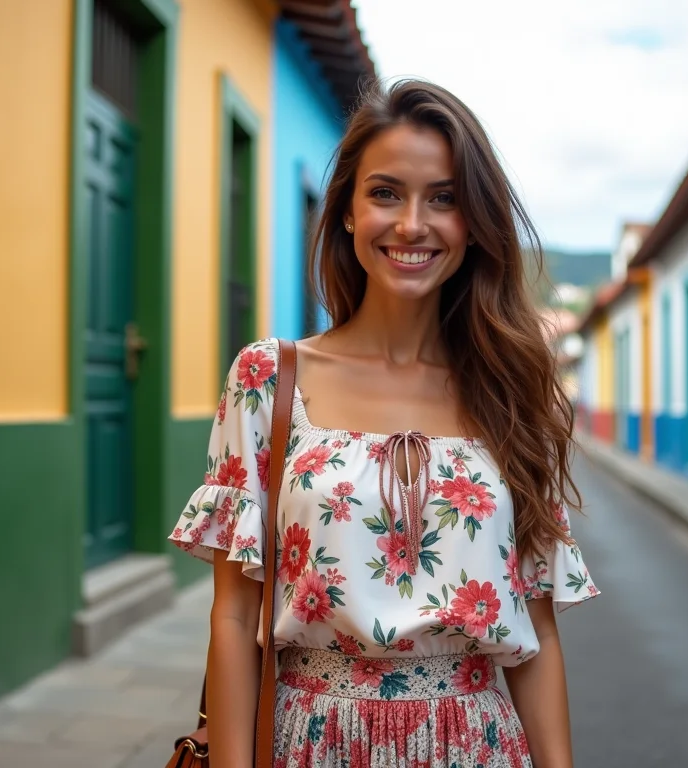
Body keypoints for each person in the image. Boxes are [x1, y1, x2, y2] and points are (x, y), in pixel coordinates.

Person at [169, 77, 599, 768]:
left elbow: (536, 634)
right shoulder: (269, 381)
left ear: (473, 224)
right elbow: (232, 615)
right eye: (386, 193)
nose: (412, 224)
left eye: (445, 198)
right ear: (345, 211)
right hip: (311, 741)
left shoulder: (512, 393)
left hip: (477, 746)